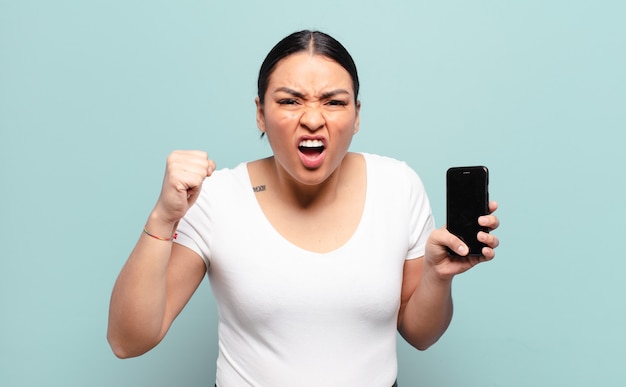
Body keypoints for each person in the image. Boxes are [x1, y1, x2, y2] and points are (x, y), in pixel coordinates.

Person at [107, 30, 500, 386]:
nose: (312, 119)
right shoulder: (217, 197)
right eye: (290, 101)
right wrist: (163, 217)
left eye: (333, 102)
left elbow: (421, 335)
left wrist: (438, 276)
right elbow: (128, 341)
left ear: (357, 115)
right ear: (260, 112)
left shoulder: (398, 185)